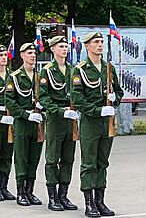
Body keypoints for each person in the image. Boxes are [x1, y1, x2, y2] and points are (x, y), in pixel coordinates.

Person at [72, 32, 124, 217]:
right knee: (89, 163)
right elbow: (77, 98)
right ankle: (89, 203)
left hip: (107, 123)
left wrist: (114, 98)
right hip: (90, 122)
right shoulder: (80, 70)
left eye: (101, 42)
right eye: (96, 42)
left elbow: (119, 91)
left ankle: (100, 201)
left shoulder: (108, 68)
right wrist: (97, 110)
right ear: (87, 46)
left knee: (103, 162)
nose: (100, 45)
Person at [39, 36, 78, 211]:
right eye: (61, 46)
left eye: (66, 46)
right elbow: (43, 97)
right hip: (55, 118)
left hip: (71, 119)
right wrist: (61, 111)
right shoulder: (47, 71)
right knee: (52, 159)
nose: (64, 49)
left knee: (68, 158)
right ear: (53, 49)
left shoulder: (73, 70)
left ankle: (64, 195)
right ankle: (52, 197)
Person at [5, 43, 44, 206]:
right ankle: (21, 192)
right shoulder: (14, 77)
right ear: (22, 55)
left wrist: (43, 107)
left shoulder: (39, 76)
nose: (33, 56)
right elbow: (10, 102)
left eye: (34, 53)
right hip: (22, 122)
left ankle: (30, 191)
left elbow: (46, 95)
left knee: (34, 158)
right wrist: (26, 115)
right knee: (21, 158)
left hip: (37, 123)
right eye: (29, 53)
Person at [0, 45, 15, 202]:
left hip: (10, 119)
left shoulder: (11, 76)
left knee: (6, 155)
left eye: (5, 55)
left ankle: (3, 187)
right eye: (1, 55)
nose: (4, 57)